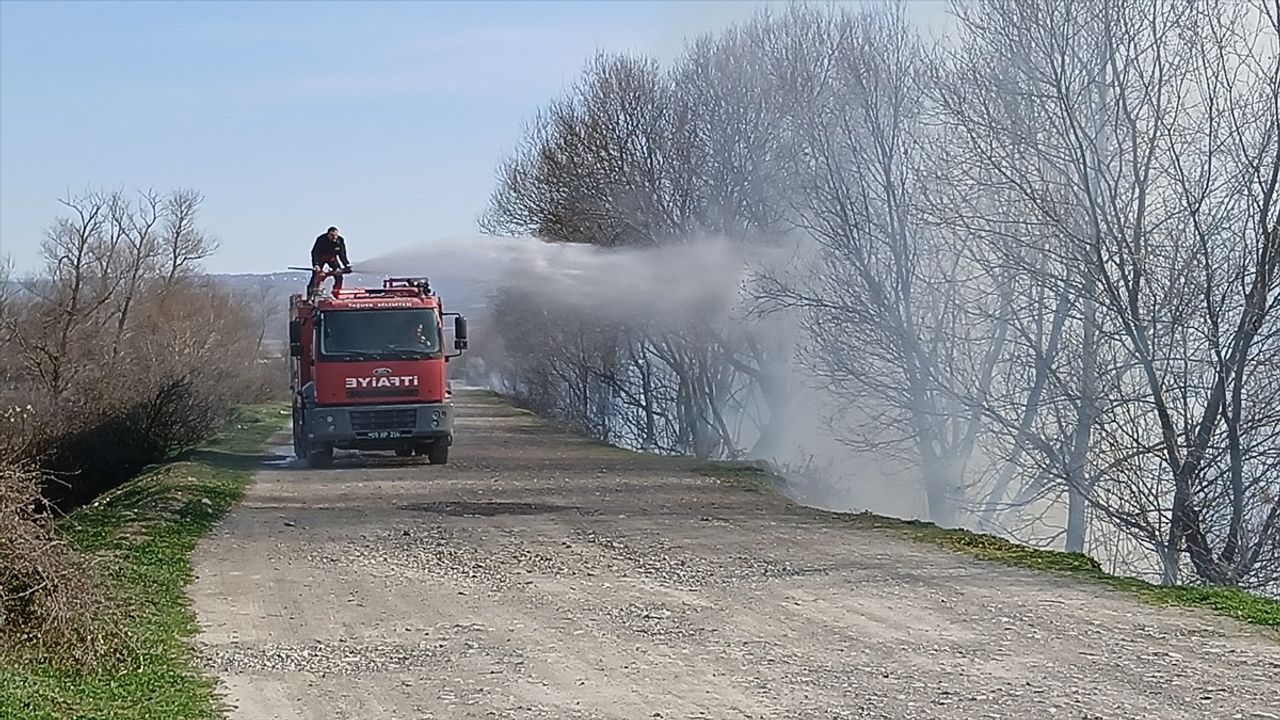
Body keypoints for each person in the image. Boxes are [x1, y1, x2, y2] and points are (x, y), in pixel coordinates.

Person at [308, 226, 351, 295]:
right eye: (332, 235)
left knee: (339, 275)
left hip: (332, 259)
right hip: (320, 258)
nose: (334, 237)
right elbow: (314, 252)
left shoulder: (340, 241)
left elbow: (342, 254)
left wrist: (346, 265)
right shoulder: (321, 239)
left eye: (336, 235)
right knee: (316, 276)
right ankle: (310, 295)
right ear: (328, 235)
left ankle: (337, 292)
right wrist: (316, 265)